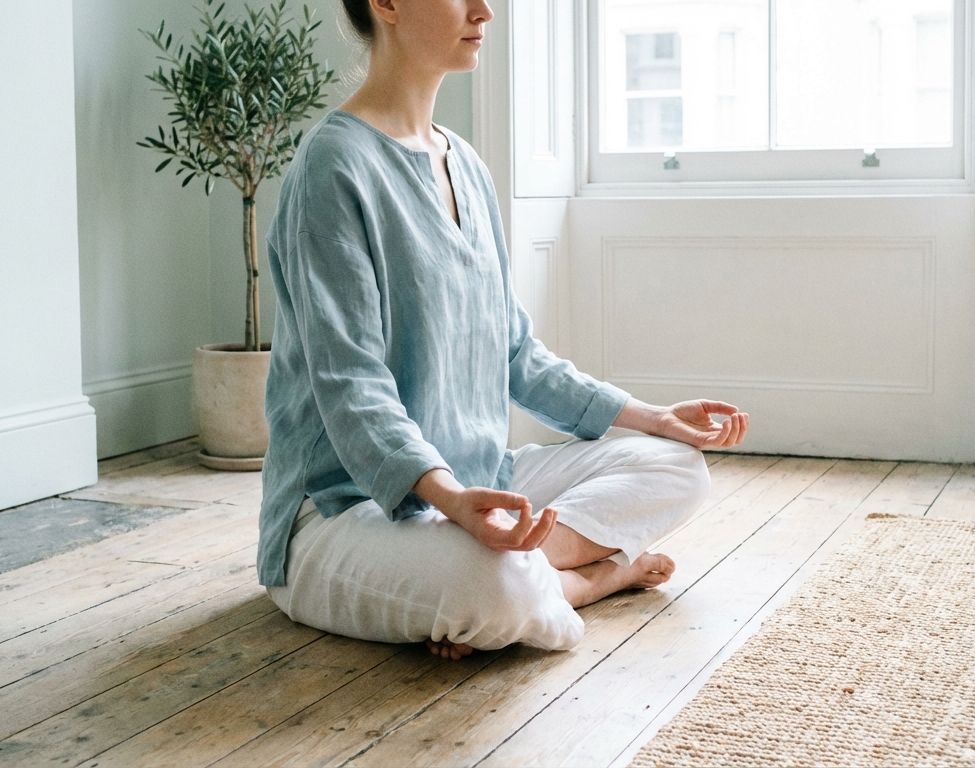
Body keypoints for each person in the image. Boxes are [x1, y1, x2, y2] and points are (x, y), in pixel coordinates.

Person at [257, 0, 750, 660]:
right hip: (345, 511)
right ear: (387, 3)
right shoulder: (332, 167)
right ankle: (584, 582)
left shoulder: (465, 163)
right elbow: (352, 386)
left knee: (677, 468)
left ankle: (516, 583)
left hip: (480, 481)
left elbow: (512, 349)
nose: (485, 10)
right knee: (490, 579)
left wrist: (654, 418)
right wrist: (451, 502)